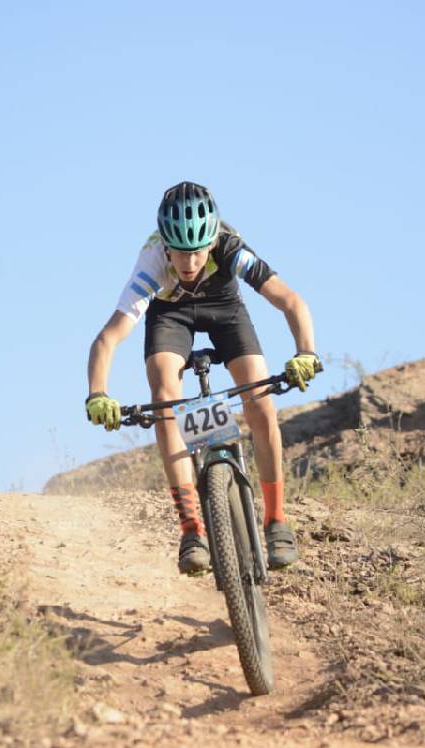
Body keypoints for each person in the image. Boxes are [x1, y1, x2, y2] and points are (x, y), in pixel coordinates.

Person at [85, 181, 321, 575]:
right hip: (170, 314)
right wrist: (98, 393)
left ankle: (277, 521)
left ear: (211, 242)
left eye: (197, 252)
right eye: (179, 253)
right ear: (166, 246)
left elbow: (290, 301)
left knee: (260, 397)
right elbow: (108, 338)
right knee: (164, 395)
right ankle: (192, 530)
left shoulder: (230, 248)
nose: (189, 263)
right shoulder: (152, 264)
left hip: (225, 308)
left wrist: (307, 352)